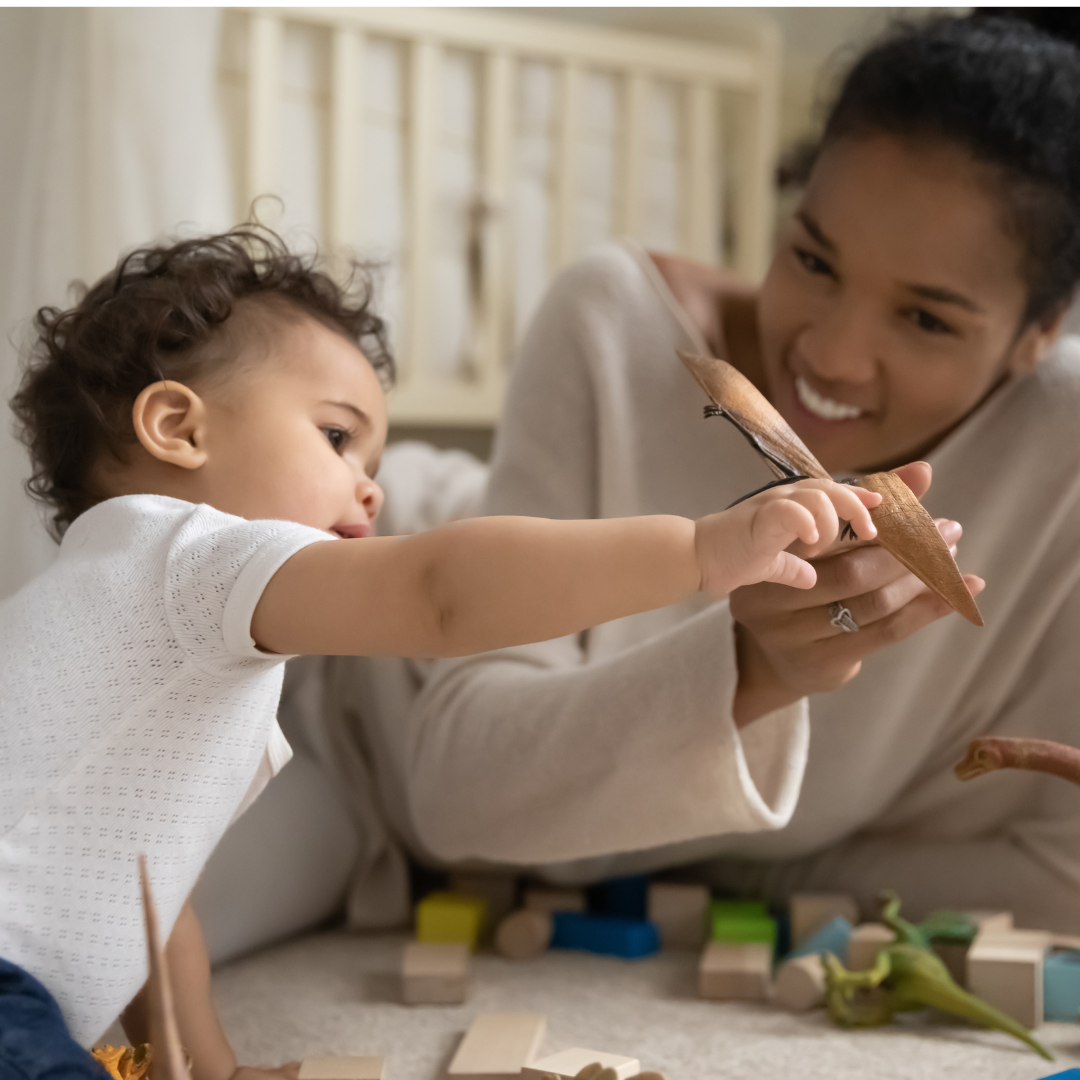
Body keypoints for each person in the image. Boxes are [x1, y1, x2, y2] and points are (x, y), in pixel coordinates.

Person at [0, 229, 878, 1076]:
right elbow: (441, 592)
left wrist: (213, 1070)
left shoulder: (144, 629)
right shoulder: (192, 555)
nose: (372, 486)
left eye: (373, 456)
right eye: (337, 438)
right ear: (177, 428)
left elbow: (158, 911)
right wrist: (697, 552)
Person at [362, 13, 1080, 931]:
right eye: (812, 257)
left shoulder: (1055, 447)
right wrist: (750, 671)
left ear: (1040, 335)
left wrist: (744, 874)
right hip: (341, 679)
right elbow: (455, 797)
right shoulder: (616, 327)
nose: (832, 354)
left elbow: (1060, 872)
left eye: (927, 320)